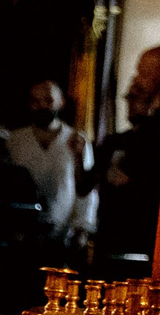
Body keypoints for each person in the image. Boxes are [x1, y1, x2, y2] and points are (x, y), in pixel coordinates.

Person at [93, 46, 160, 268]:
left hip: (140, 236)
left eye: (144, 73)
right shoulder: (118, 140)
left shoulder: (158, 131)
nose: (137, 79)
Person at [5, 79, 96, 242]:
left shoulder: (77, 140)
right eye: (35, 101)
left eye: (48, 100)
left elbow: (86, 189)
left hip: (65, 234)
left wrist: (83, 227)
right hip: (23, 234)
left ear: (60, 102)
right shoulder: (15, 141)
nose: (41, 107)